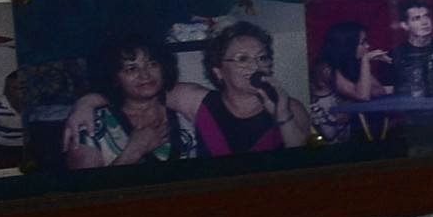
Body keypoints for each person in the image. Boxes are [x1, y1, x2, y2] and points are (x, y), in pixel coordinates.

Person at [169, 20, 316, 156]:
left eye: (262, 58)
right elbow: (157, 89)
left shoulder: (291, 108)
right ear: (218, 72)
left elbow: (305, 163)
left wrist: (283, 117)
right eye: (243, 59)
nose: (256, 66)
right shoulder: (197, 101)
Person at [59, 31, 199, 169]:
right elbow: (87, 184)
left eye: (152, 64)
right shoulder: (91, 124)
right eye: (131, 69)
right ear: (114, 77)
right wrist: (133, 152)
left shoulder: (183, 111)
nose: (145, 75)